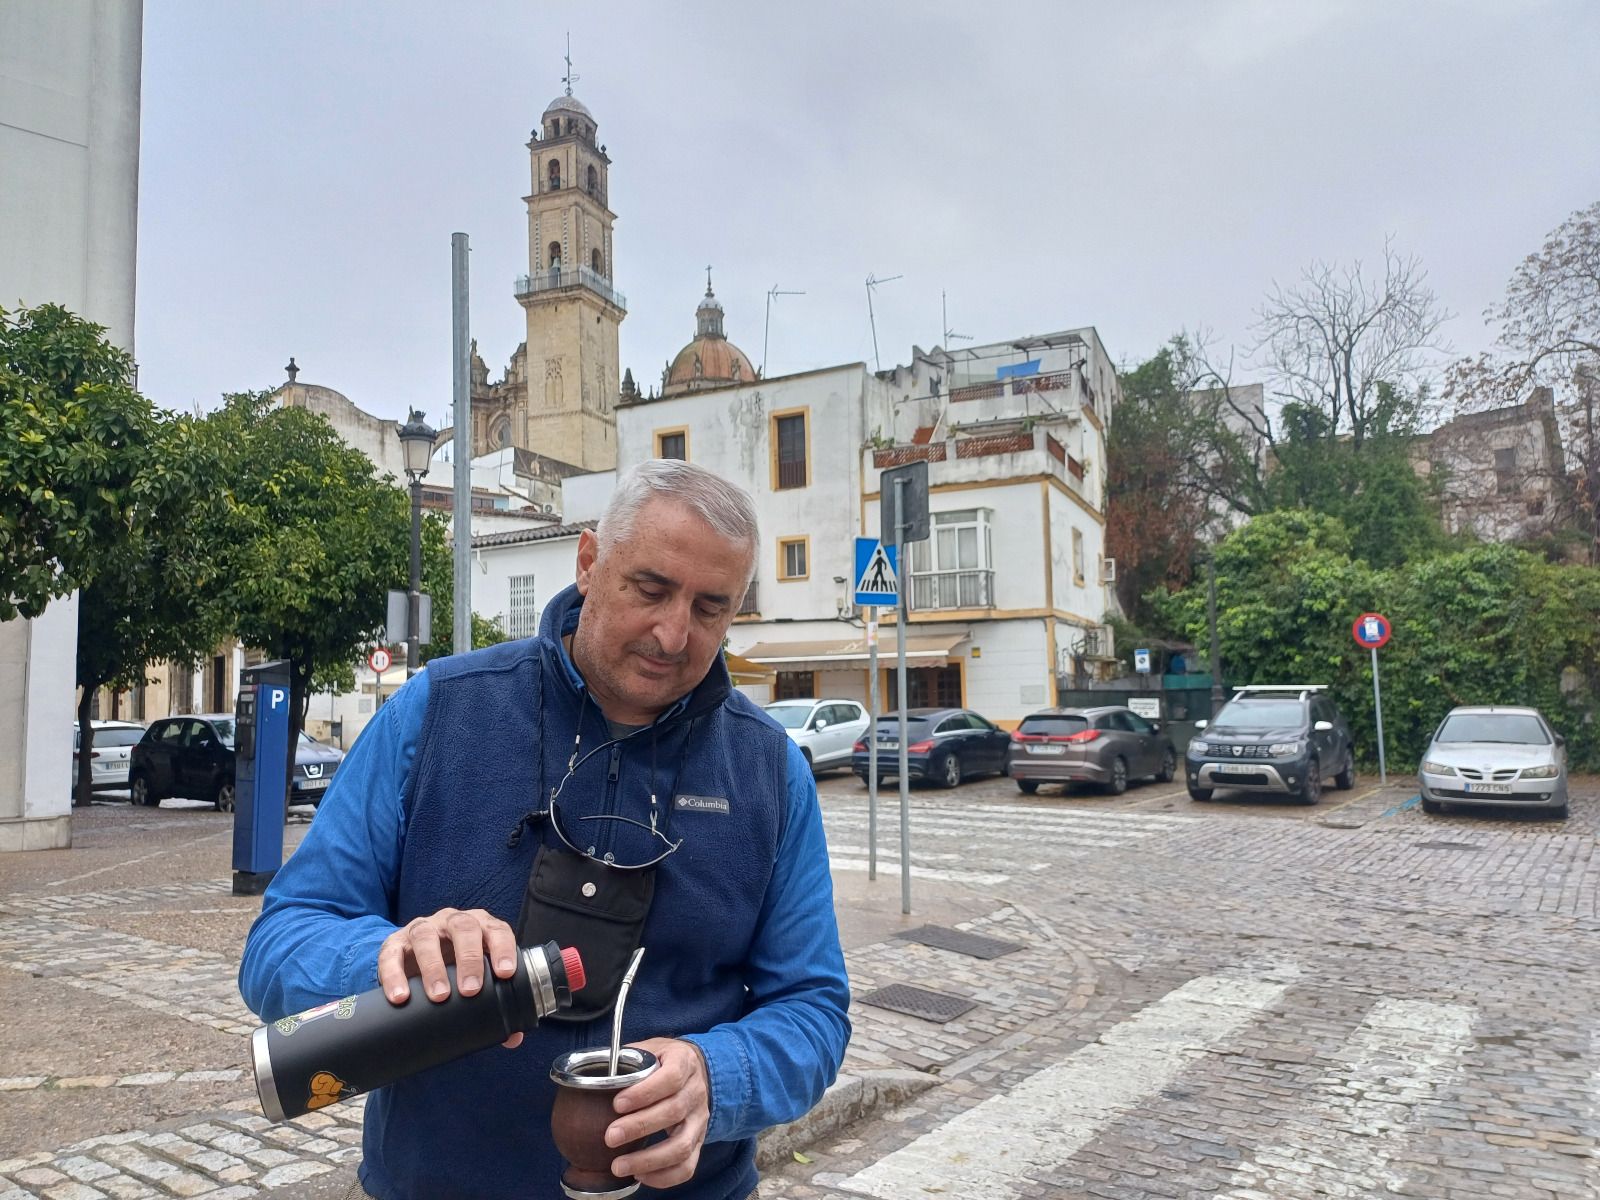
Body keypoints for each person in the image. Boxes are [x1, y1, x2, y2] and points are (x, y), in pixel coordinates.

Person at [239, 460, 851, 1200]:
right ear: (589, 562)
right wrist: (390, 960)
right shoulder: (436, 712)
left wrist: (718, 1078)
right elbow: (279, 945)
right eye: (650, 589)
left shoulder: (770, 769)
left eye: (709, 608)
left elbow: (813, 1008)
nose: (672, 633)